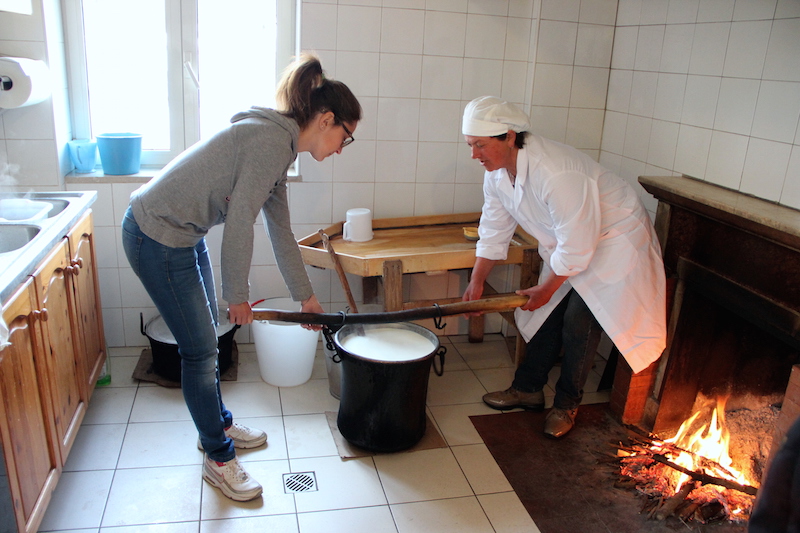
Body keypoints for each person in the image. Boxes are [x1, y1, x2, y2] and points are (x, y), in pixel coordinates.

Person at [121, 53, 361, 501]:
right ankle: (217, 455)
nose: (342, 149)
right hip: (155, 236)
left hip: (178, 235)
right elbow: (239, 223)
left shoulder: (280, 145)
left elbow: (279, 229)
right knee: (198, 351)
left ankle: (216, 423)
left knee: (205, 344)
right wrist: (238, 296)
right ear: (326, 120)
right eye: (346, 138)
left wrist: (306, 298)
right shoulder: (271, 142)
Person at [461, 96, 666, 439]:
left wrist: (546, 289)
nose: (474, 155)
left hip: (612, 243)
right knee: (545, 312)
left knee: (576, 321)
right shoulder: (497, 174)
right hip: (573, 245)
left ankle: (566, 404)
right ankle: (528, 389)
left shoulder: (556, 172)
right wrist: (477, 281)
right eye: (470, 145)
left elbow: (580, 243)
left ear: (509, 136)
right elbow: (494, 230)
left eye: (480, 145)